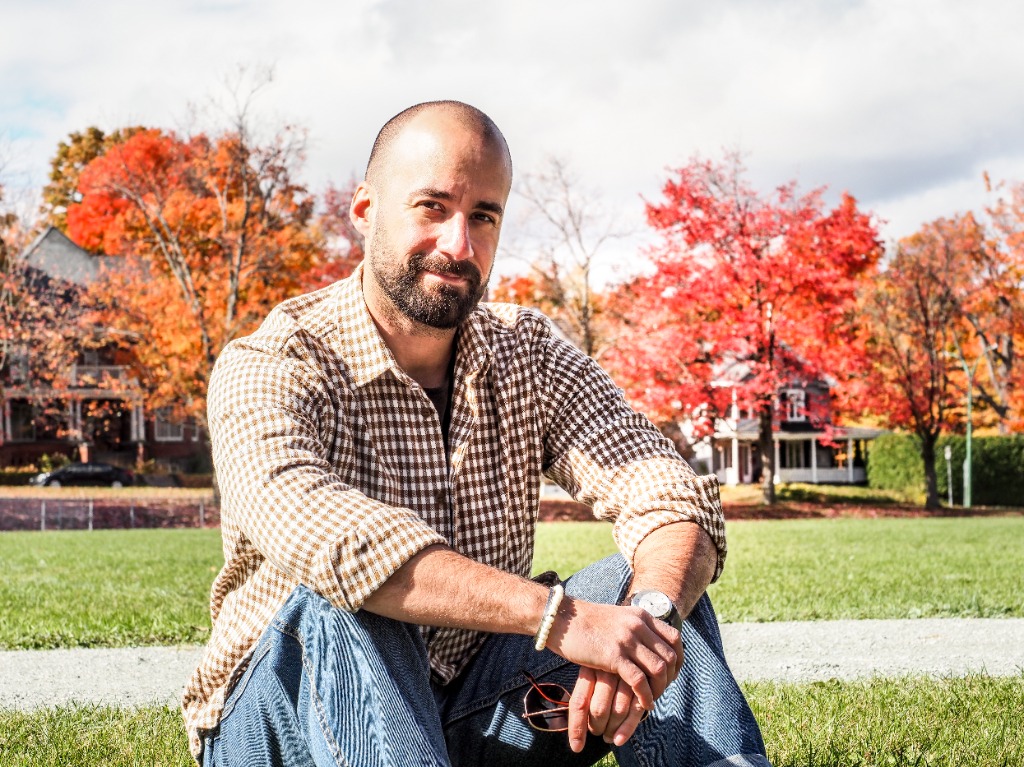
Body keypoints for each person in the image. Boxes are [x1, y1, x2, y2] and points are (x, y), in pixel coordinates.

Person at [182, 100, 770, 767]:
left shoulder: (528, 352)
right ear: (365, 209)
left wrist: (648, 618)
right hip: (282, 725)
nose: (459, 245)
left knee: (653, 597)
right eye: (432, 207)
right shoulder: (271, 362)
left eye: (483, 216)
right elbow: (328, 537)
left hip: (469, 711)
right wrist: (562, 619)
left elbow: (664, 489)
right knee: (348, 599)